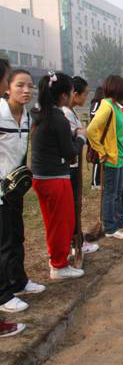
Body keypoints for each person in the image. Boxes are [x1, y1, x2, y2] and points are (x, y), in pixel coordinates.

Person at [0, 66, 43, 337]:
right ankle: (4, 294)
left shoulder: (26, 116)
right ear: (7, 88)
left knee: (17, 235)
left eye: (30, 86)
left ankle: (19, 281)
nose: (26, 90)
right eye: (19, 85)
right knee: (3, 241)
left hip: (14, 189)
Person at [31, 72, 86, 280]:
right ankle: (59, 265)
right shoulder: (58, 119)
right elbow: (69, 152)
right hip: (55, 178)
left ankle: (55, 258)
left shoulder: (39, 113)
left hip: (40, 176)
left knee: (52, 222)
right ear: (64, 96)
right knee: (62, 223)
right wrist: (80, 138)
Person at [88, 75, 123, 240]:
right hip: (111, 157)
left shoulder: (116, 106)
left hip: (120, 155)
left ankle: (120, 221)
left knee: (118, 191)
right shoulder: (106, 106)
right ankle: (110, 226)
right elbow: (91, 130)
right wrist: (102, 151)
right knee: (110, 193)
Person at [61, 76, 99, 255]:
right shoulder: (66, 113)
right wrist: (82, 135)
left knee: (74, 204)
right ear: (74, 94)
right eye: (84, 94)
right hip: (70, 166)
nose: (86, 98)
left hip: (73, 164)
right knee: (73, 205)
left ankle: (75, 240)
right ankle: (76, 243)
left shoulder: (70, 111)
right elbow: (75, 138)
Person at [89, 87, 104, 189]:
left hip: (101, 134)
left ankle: (99, 181)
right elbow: (93, 114)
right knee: (96, 159)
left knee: (100, 158)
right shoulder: (96, 103)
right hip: (95, 134)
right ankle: (94, 183)